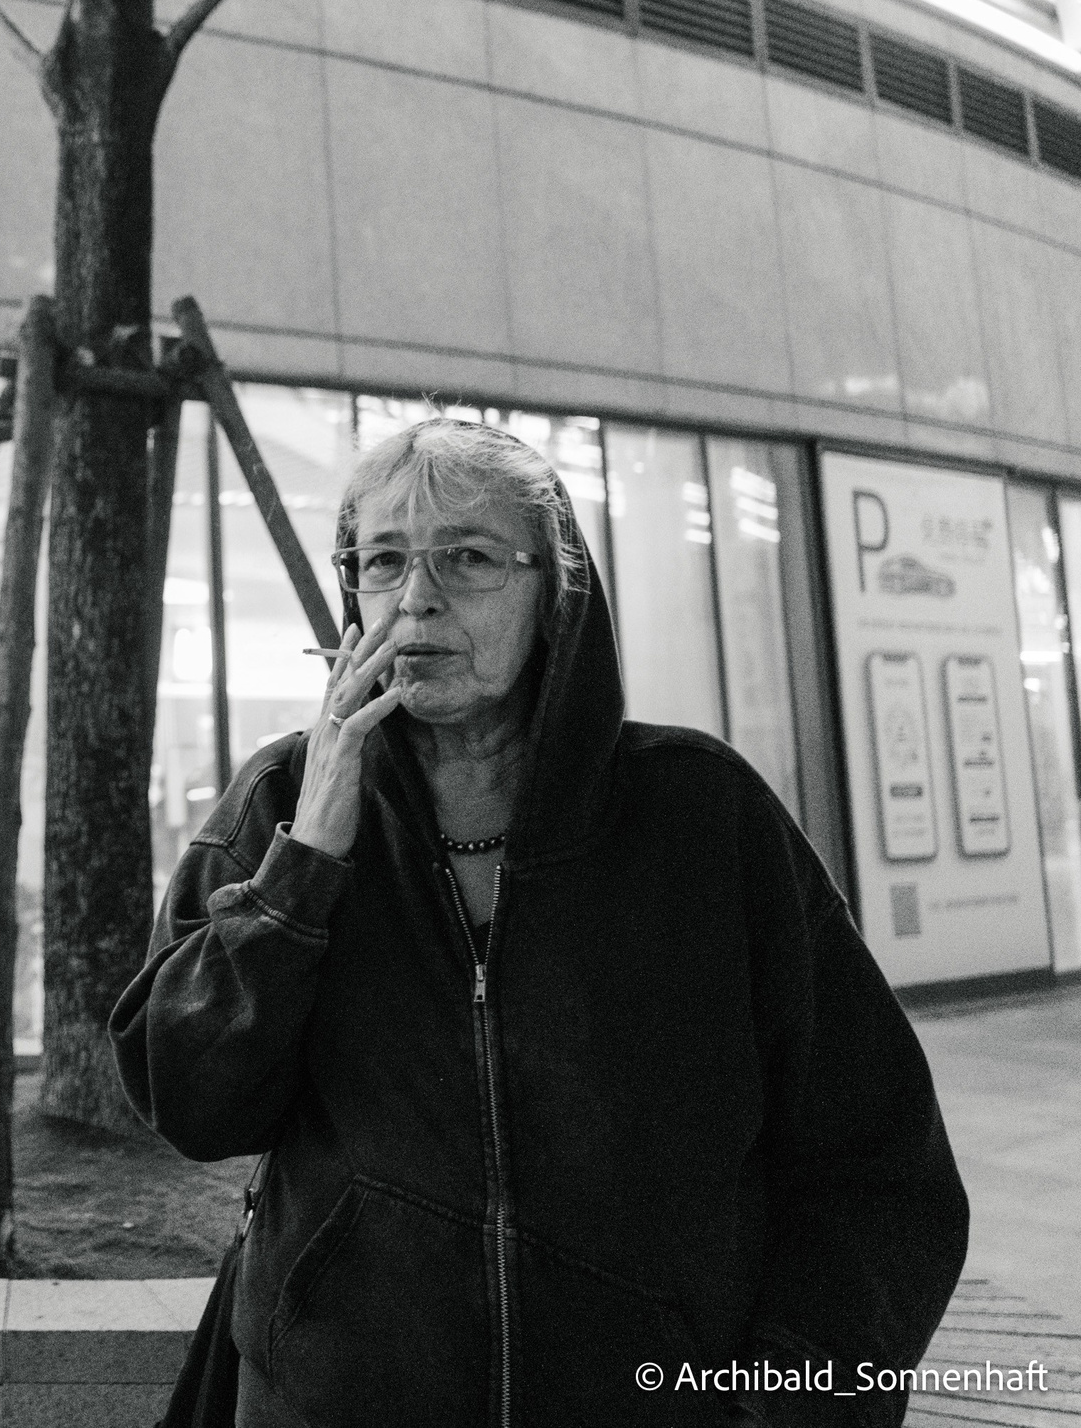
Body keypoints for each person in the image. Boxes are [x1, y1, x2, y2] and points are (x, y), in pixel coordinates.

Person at [112, 418, 966, 1428]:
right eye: (382, 561)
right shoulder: (281, 803)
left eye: (468, 557)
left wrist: (784, 1400)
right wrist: (306, 866)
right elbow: (191, 1103)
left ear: (553, 590)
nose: (416, 596)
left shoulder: (702, 816)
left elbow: (877, 1167)